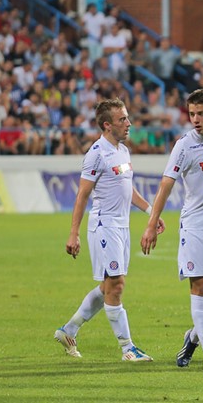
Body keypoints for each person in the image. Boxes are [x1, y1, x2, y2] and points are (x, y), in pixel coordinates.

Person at [55, 98, 165, 361]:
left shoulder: (123, 150)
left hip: (121, 226)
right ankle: (128, 348)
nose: (128, 123)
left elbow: (128, 189)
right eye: (122, 120)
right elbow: (82, 195)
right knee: (116, 285)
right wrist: (74, 233)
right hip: (104, 226)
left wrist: (151, 212)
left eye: (127, 117)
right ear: (107, 125)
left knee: (108, 286)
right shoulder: (96, 153)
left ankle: (68, 330)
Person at [140, 89, 203, 372]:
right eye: (191, 114)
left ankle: (192, 338)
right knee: (199, 287)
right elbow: (166, 184)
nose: (195, 119)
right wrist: (151, 223)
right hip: (195, 227)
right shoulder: (184, 146)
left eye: (201, 114)